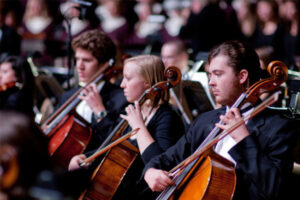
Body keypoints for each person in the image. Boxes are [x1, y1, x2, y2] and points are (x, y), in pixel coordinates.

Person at [143, 40, 298, 200]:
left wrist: (244, 139)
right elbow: (168, 158)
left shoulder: (279, 127)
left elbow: (275, 189)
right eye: (209, 75)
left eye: (218, 74)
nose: (211, 82)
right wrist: (150, 171)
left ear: (242, 76)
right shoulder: (205, 121)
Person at [68, 55, 185, 199]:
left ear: (147, 84)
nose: (122, 84)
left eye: (128, 78)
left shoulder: (167, 117)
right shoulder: (133, 111)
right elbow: (112, 148)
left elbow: (161, 164)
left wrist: (139, 126)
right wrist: (85, 157)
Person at [53, 29, 128, 153]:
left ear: (104, 64)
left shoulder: (121, 99)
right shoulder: (67, 96)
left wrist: (99, 110)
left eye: (87, 60)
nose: (79, 66)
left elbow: (118, 143)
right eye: (77, 59)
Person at [161, 39, 213, 125]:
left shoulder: (198, 77)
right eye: (163, 57)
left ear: (183, 57)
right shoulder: (163, 79)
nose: (164, 61)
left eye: (169, 57)